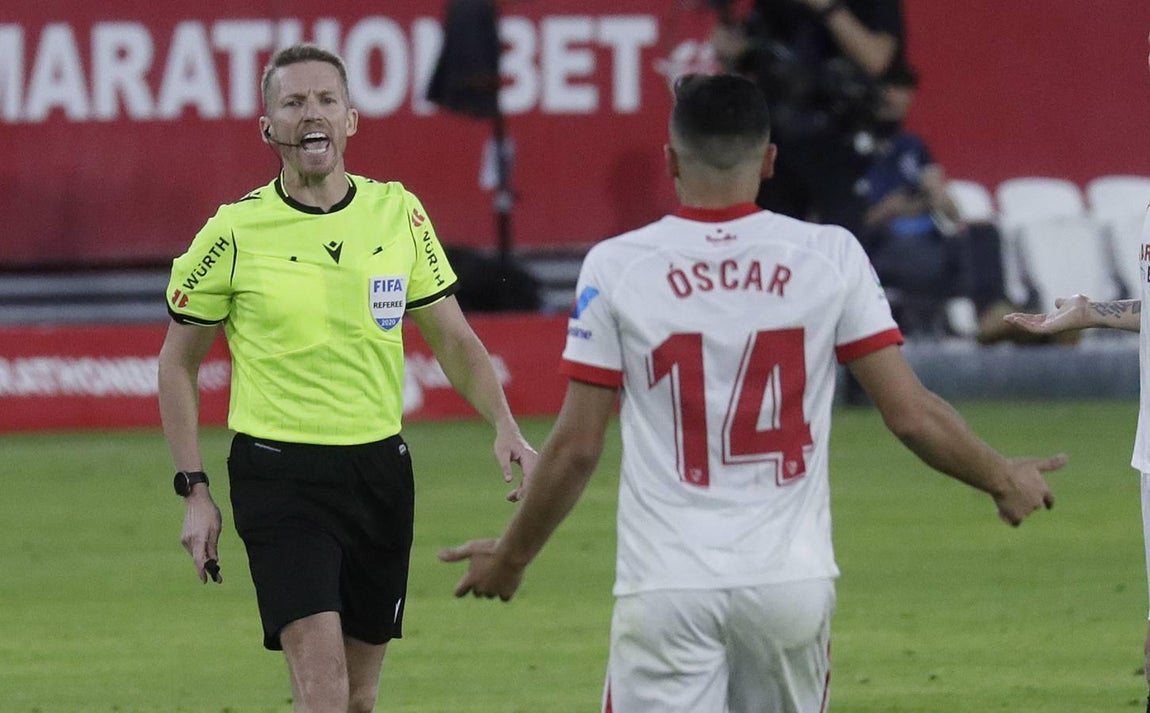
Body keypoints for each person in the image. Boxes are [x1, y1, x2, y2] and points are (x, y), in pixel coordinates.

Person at [439, 73, 1067, 713]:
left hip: (668, 583)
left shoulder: (617, 265)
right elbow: (910, 415)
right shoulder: (830, 255)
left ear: (670, 159)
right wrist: (999, 475)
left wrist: (513, 557)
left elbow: (576, 448)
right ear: (769, 160)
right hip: (789, 583)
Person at [157, 43, 536, 713]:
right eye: (294, 102)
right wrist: (194, 488)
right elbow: (177, 363)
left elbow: (451, 335)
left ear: (352, 119)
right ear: (267, 126)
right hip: (279, 476)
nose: (312, 114)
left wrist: (504, 421)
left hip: (379, 473)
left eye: (326, 100)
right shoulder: (234, 232)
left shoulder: (397, 213)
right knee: (327, 691)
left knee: (355, 699)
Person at [709, 0, 907, 233]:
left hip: (842, 140)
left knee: (839, 245)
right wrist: (735, 49)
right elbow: (755, 50)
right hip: (776, 139)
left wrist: (826, 7)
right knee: (772, 243)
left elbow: (877, 58)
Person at [856, 65, 1019, 340]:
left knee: (983, 232)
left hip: (930, 242)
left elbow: (952, 214)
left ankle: (995, 315)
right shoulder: (854, 150)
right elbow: (848, 222)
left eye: (904, 90)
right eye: (890, 88)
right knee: (923, 253)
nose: (897, 97)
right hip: (884, 248)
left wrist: (939, 196)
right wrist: (892, 209)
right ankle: (1002, 318)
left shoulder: (913, 147)